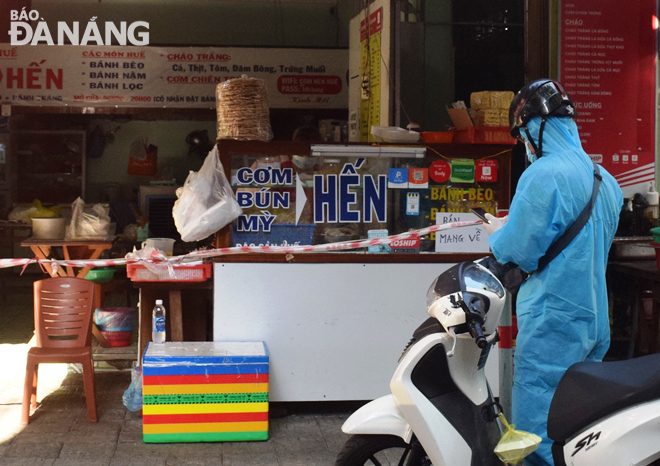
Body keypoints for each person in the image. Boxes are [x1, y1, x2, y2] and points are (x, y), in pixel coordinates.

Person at [482, 79, 623, 465]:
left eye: (524, 134)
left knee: (536, 431)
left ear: (536, 128)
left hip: (553, 322)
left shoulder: (543, 174)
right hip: (595, 321)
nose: (525, 144)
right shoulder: (605, 179)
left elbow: (519, 251)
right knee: (579, 421)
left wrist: (497, 233)